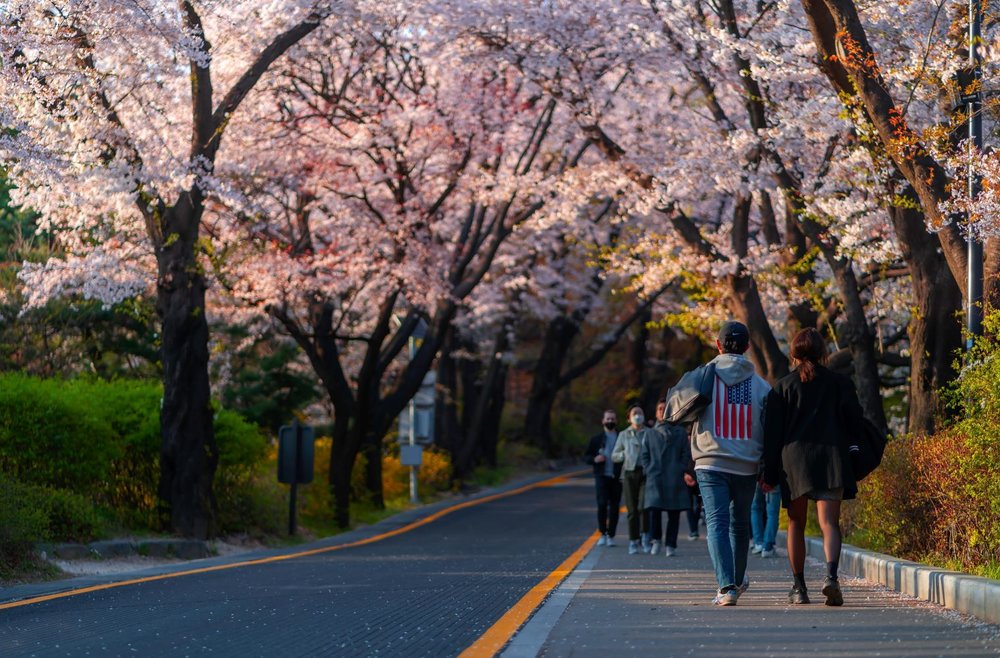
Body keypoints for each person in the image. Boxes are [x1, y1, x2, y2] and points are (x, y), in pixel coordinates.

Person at [667, 320, 770, 606]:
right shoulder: (761, 386)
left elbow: (677, 408)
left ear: (718, 345)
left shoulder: (703, 377)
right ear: (748, 347)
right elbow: (768, 426)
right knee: (740, 525)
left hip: (710, 460)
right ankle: (735, 581)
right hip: (747, 463)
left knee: (717, 523)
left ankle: (727, 588)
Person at [763, 327, 865, 607]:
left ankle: (799, 588)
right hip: (832, 458)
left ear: (793, 353)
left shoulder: (783, 387)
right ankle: (831, 578)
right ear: (823, 353)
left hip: (794, 461)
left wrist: (768, 472)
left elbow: (772, 434)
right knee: (829, 523)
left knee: (796, 522)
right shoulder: (840, 383)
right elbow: (855, 420)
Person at [644, 399, 695, 556]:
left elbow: (686, 453)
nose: (662, 411)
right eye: (659, 409)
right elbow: (644, 455)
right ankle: (656, 540)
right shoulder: (650, 432)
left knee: (675, 512)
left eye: (665, 409)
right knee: (654, 510)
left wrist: (680, 468)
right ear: (656, 412)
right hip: (656, 476)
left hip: (674, 475)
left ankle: (671, 544)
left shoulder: (679, 432)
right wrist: (649, 469)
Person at [612, 404, 656, 555]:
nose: (638, 415)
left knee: (644, 507)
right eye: (635, 413)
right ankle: (633, 540)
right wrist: (624, 455)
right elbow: (614, 455)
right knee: (631, 510)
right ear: (629, 418)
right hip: (629, 473)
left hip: (646, 473)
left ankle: (645, 537)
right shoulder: (624, 434)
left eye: (640, 412)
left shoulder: (650, 433)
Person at [584, 410, 623, 547]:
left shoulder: (621, 437)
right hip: (601, 476)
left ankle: (611, 535)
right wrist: (595, 459)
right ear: (603, 421)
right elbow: (587, 456)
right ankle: (602, 533)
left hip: (617, 478)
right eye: (608, 419)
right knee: (601, 505)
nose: (610, 421)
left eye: (612, 419)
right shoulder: (596, 439)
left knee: (614, 507)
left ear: (616, 421)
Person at [750, 480, 780, 558]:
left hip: (757, 476)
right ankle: (768, 546)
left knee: (755, 508)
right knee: (772, 512)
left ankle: (758, 543)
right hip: (774, 477)